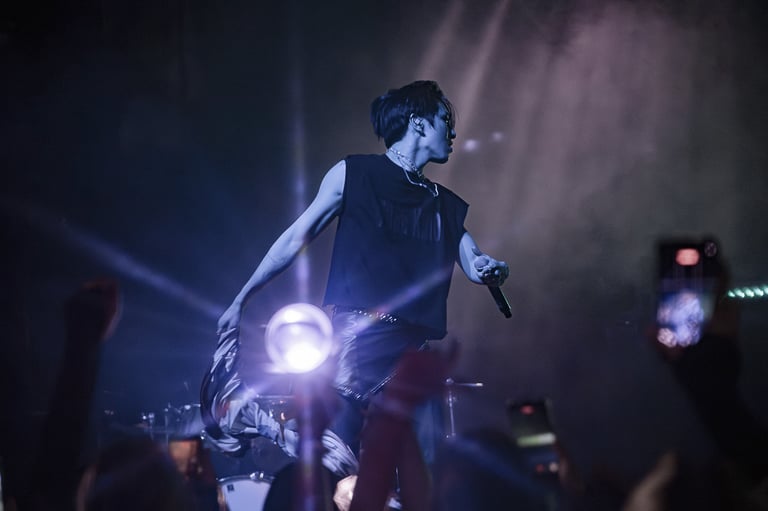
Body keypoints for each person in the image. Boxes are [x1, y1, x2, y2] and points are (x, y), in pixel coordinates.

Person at [216, 80, 509, 487]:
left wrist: (493, 268)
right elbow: (295, 237)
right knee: (333, 463)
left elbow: (474, 262)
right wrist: (243, 298)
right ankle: (248, 416)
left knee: (422, 472)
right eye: (446, 119)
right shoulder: (354, 174)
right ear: (418, 122)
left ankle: (251, 418)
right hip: (359, 341)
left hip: (413, 353)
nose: (453, 132)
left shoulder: (443, 203)